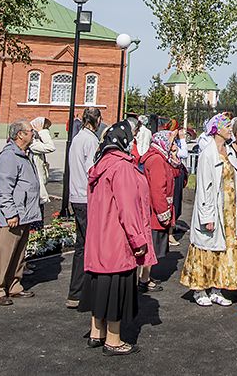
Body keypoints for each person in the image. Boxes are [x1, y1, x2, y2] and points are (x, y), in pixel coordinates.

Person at [83, 121, 154, 356]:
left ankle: (97, 332)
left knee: (100, 286)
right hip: (116, 240)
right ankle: (113, 340)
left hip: (99, 240)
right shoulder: (122, 167)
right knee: (117, 288)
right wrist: (138, 241)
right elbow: (128, 208)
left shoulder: (100, 163)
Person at [180, 112, 237, 307]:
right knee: (206, 248)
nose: (231, 130)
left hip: (229, 211)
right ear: (217, 130)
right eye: (227, 127)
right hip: (214, 210)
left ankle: (216, 287)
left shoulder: (229, 151)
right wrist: (207, 215)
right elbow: (204, 188)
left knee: (223, 249)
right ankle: (199, 289)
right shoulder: (208, 153)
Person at [0, 121, 42, 305]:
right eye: (30, 131)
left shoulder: (25, 154)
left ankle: (14, 285)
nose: (33, 134)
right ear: (20, 134)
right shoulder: (10, 156)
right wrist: (10, 213)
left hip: (24, 213)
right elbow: (3, 189)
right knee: (5, 254)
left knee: (19, 254)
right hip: (13, 215)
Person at [66, 107, 102, 308]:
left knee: (81, 246)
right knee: (90, 246)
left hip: (76, 195)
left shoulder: (78, 138)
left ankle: (76, 291)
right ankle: (87, 291)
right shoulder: (91, 140)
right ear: (96, 120)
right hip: (86, 197)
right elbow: (93, 170)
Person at [138, 130, 177, 292]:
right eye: (172, 142)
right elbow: (157, 189)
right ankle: (144, 278)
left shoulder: (161, 157)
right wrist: (164, 214)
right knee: (151, 246)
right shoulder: (156, 160)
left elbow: (176, 173)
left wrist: (174, 157)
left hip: (156, 210)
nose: (174, 145)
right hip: (155, 212)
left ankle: (146, 276)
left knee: (152, 245)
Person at [28, 116, 56, 208]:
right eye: (46, 128)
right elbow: (51, 147)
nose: (47, 131)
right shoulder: (32, 143)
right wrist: (42, 132)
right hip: (36, 189)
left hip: (38, 187)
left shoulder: (36, 140)